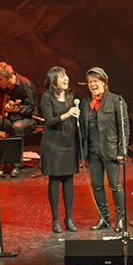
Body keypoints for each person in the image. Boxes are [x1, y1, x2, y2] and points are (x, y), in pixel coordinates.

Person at [79, 67, 130, 233]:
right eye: (90, 82)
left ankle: (121, 219)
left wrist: (122, 151)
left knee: (115, 185)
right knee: (97, 186)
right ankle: (103, 217)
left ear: (104, 82)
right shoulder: (86, 103)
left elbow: (124, 127)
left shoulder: (116, 100)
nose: (93, 84)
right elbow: (84, 130)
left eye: (96, 81)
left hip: (111, 150)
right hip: (93, 152)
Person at [40, 66, 80, 233]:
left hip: (69, 142)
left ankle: (69, 218)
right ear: (53, 81)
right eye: (61, 77)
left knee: (69, 180)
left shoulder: (72, 96)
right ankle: (55, 219)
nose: (65, 79)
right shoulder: (47, 97)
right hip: (53, 144)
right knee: (55, 180)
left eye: (66, 76)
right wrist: (67, 114)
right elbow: (48, 121)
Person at [0, 61, 38, 177]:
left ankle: (16, 165)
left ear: (8, 77)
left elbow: (30, 108)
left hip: (27, 120)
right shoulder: (2, 86)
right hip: (9, 118)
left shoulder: (26, 85)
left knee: (17, 127)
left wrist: (15, 108)